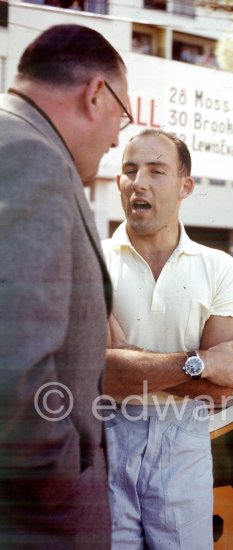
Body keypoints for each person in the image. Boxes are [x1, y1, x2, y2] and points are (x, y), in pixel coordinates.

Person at [0, 24, 131, 548]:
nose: (118, 138)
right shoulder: (31, 157)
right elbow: (12, 364)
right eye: (122, 116)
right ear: (96, 93)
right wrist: (60, 483)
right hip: (34, 519)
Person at [102, 129, 233, 549]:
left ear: (186, 185)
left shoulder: (219, 267)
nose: (139, 182)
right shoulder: (93, 261)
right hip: (106, 444)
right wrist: (200, 361)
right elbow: (101, 375)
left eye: (156, 170)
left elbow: (223, 390)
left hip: (183, 447)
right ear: (118, 182)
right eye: (130, 170)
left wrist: (126, 361)